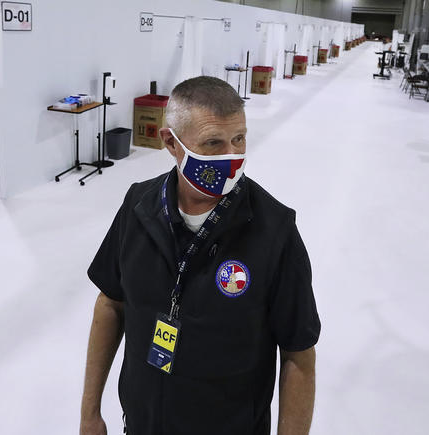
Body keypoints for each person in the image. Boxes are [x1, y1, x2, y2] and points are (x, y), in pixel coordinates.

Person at [80, 76, 320, 435]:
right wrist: (90, 413)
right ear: (171, 143)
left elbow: (298, 356)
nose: (231, 157)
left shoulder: (274, 230)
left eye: (239, 139)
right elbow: (111, 304)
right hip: (143, 423)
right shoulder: (138, 207)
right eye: (213, 143)